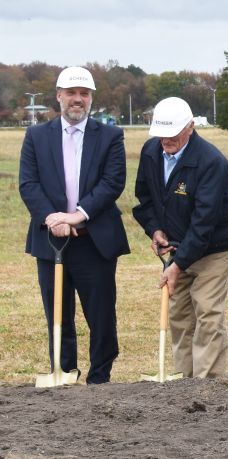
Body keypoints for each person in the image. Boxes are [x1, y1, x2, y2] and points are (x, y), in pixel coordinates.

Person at [19, 66, 129, 384]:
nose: (77, 99)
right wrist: (52, 218)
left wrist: (78, 215)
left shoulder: (110, 135)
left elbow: (112, 182)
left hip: (93, 239)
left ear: (91, 98)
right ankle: (64, 372)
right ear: (59, 96)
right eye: (71, 93)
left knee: (101, 314)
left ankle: (99, 376)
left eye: (84, 94)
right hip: (51, 239)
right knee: (57, 313)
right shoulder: (36, 136)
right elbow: (28, 184)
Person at [132, 96, 228, 378]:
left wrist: (177, 266)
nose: (165, 141)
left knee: (207, 312)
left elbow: (204, 224)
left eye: (172, 134)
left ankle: (208, 386)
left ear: (190, 127)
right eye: (160, 135)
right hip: (179, 243)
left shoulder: (211, 162)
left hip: (216, 246)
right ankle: (183, 383)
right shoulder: (151, 152)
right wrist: (155, 228)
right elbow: (144, 198)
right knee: (179, 315)